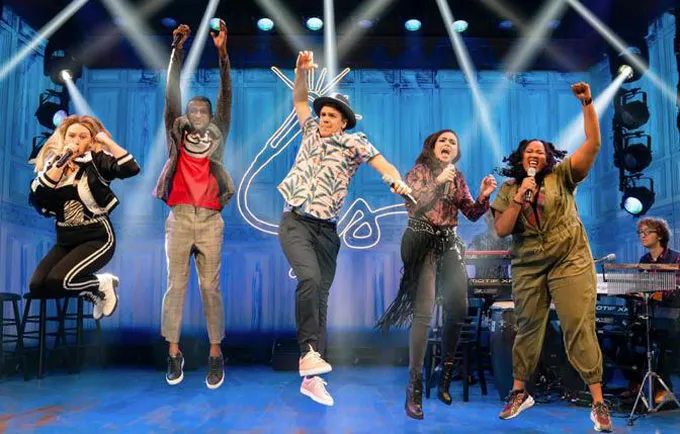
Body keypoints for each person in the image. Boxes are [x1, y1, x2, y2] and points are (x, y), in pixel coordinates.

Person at [278, 50, 412, 406]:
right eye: (322, 114)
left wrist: (395, 180)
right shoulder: (309, 131)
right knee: (309, 279)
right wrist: (300, 72)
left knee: (320, 297)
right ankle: (308, 353)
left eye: (331, 116)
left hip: (327, 231)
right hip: (295, 221)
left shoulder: (355, 143)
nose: (323, 119)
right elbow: (300, 100)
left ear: (343, 122)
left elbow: (384, 165)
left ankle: (312, 377)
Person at [491, 83, 612, 432]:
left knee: (578, 325)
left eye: (541, 151)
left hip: (569, 257)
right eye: (529, 150)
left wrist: (587, 104)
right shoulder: (509, 189)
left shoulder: (563, 176)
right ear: (521, 158)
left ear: (548, 158)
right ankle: (519, 393)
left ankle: (598, 402)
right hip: (528, 263)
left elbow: (593, 144)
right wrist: (519, 198)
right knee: (528, 327)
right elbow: (501, 230)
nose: (535, 153)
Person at [376, 129, 497, 419]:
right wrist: (437, 182)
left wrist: (483, 196)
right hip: (422, 242)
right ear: (432, 146)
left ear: (456, 151)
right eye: (443, 140)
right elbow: (412, 203)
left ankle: (445, 369)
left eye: (452, 142)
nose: (447, 144)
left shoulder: (458, 177)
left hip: (449, 243)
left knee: (460, 307)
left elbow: (471, 213)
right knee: (424, 312)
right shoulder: (418, 172)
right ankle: (414, 387)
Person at [153, 21, 235, 389]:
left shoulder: (218, 132)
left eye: (204, 111)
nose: (198, 114)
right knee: (176, 285)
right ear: (185, 116)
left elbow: (226, 94)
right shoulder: (176, 130)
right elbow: (171, 94)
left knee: (210, 288)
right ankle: (174, 353)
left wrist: (222, 53)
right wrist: (177, 51)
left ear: (211, 116)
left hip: (211, 219)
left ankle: (216, 354)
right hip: (180, 216)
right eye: (192, 110)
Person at [29, 115, 140, 319]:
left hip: (96, 237)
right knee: (37, 286)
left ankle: (102, 283)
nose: (76, 141)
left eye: (83, 136)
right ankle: (94, 291)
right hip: (65, 239)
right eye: (72, 135)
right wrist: (63, 161)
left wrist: (106, 141)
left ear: (90, 141)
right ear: (64, 138)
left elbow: (131, 169)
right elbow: (41, 193)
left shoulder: (96, 162)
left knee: (60, 280)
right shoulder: (53, 164)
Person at [620, 217, 680, 406]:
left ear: (660, 235)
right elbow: (641, 288)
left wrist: (651, 293)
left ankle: (663, 390)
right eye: (640, 233)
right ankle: (635, 384)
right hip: (648, 313)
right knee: (625, 338)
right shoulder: (643, 261)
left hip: (672, 315)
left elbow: (674, 289)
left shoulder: (676, 258)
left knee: (664, 344)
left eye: (647, 232)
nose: (642, 236)